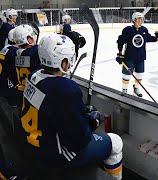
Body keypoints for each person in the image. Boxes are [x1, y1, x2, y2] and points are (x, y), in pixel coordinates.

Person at [19, 33, 123, 179]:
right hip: (55, 155)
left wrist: (77, 112)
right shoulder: (66, 89)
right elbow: (79, 140)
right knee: (116, 142)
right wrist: (92, 122)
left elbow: (51, 108)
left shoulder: (34, 76)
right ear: (63, 61)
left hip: (32, 145)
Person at [116, 12, 157, 97]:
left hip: (141, 58)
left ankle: (136, 89)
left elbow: (148, 38)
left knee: (139, 74)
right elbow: (121, 41)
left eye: (142, 19)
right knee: (126, 75)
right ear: (134, 20)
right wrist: (120, 53)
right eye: (139, 18)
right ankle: (124, 90)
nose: (142, 20)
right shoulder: (128, 30)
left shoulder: (144, 30)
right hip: (129, 57)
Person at [13, 24, 41, 108]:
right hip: (34, 94)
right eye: (32, 35)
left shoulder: (18, 53)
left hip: (23, 91)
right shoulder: (33, 52)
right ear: (29, 39)